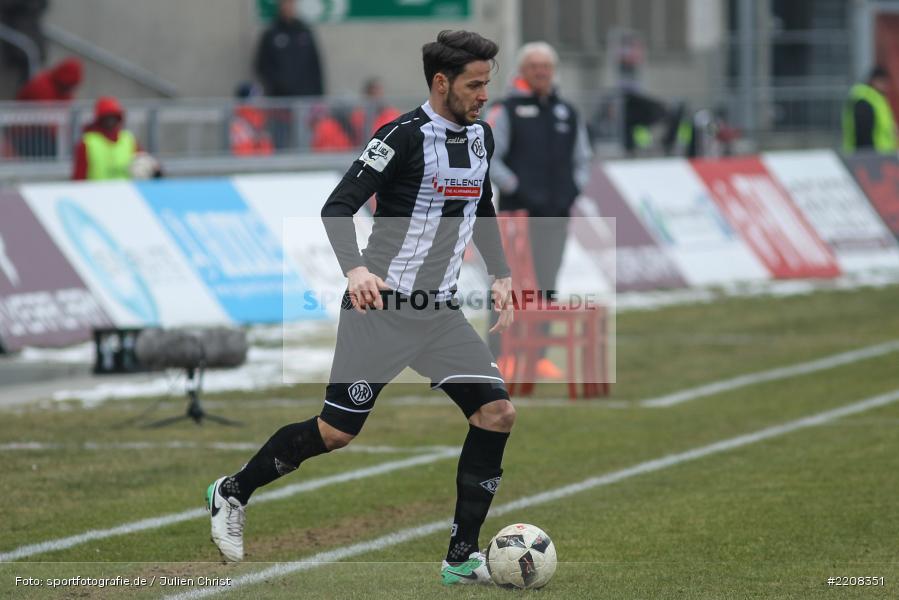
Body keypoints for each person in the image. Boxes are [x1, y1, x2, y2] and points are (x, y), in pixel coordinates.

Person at [206, 30, 515, 586]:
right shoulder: (399, 136)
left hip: (440, 314)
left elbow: (484, 204)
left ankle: (460, 558)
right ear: (441, 83)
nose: (483, 96)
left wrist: (501, 272)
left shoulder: (480, 138)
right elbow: (337, 207)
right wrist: (356, 269)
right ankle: (232, 491)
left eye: (487, 84)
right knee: (335, 433)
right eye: (475, 85)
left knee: (496, 413)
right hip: (381, 310)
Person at [486, 41, 592, 378]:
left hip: (556, 214)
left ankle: (539, 354)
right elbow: (490, 157)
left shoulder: (567, 112)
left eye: (546, 67)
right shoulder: (506, 110)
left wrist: (573, 190)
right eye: (534, 66)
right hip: (516, 216)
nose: (541, 72)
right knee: (509, 284)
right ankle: (500, 355)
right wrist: (517, 188)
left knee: (546, 283)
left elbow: (583, 159)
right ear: (522, 70)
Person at [72, 96, 140, 180]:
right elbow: (79, 176)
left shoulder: (128, 139)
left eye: (113, 117)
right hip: (96, 192)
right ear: (99, 119)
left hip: (126, 191)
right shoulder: (87, 143)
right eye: (106, 117)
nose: (110, 121)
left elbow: (143, 162)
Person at [843, 66, 898, 154]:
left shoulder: (876, 98)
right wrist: (867, 155)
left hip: (880, 155)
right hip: (871, 155)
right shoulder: (865, 98)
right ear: (875, 80)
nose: (886, 86)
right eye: (884, 82)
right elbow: (863, 132)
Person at [350, 77, 402, 144]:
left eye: (378, 92)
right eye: (372, 94)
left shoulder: (392, 113)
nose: (377, 97)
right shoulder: (358, 115)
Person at [230, 81, 274, 156]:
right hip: (246, 165)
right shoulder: (238, 123)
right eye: (255, 97)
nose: (260, 100)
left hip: (262, 164)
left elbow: (268, 150)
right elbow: (242, 153)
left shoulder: (260, 119)